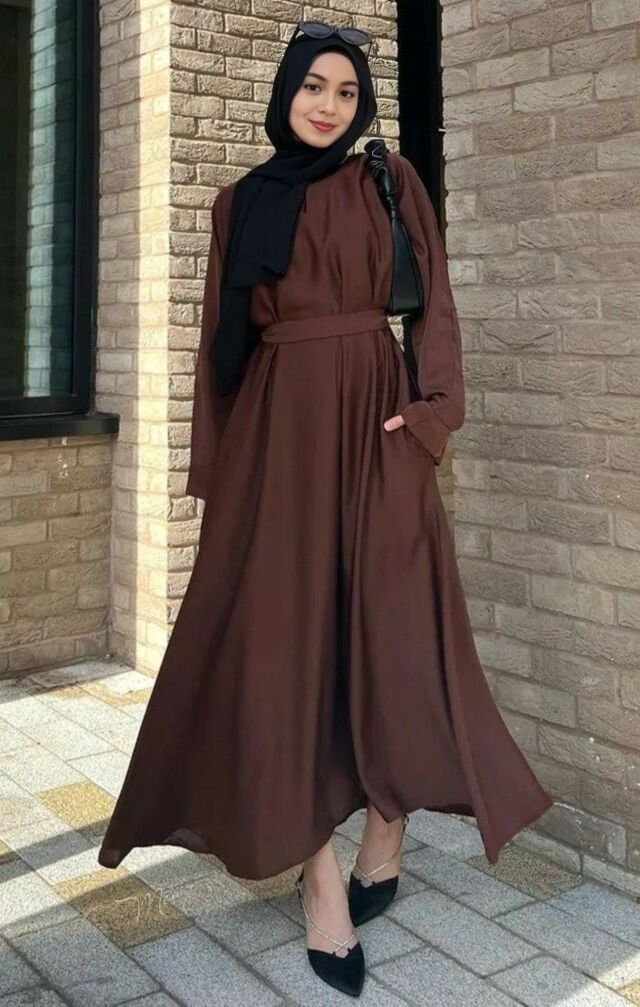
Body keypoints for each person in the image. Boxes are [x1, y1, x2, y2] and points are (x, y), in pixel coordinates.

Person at [97, 21, 553, 999]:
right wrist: (223, 470)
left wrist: (431, 417)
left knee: (397, 633)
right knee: (282, 653)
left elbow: (433, 307)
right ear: (286, 91)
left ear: (361, 105)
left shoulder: (388, 182)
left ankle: (386, 829)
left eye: (347, 91)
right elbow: (219, 344)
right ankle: (318, 881)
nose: (328, 105)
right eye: (314, 85)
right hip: (278, 439)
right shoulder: (240, 202)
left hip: (378, 430)